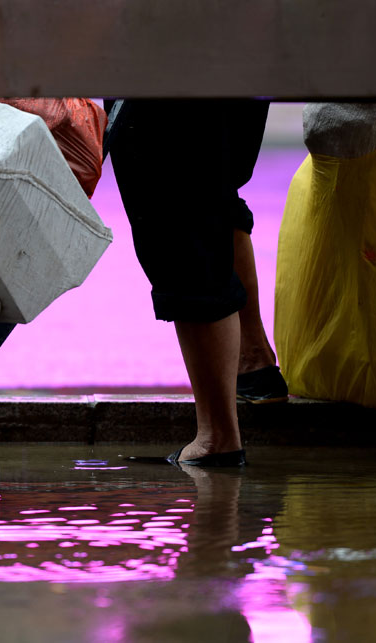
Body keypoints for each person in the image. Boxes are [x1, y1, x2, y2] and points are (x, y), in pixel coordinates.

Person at [106, 98, 285, 466]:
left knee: (176, 209)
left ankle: (217, 437)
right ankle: (253, 362)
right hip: (245, 58)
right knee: (210, 183)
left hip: (167, 65)